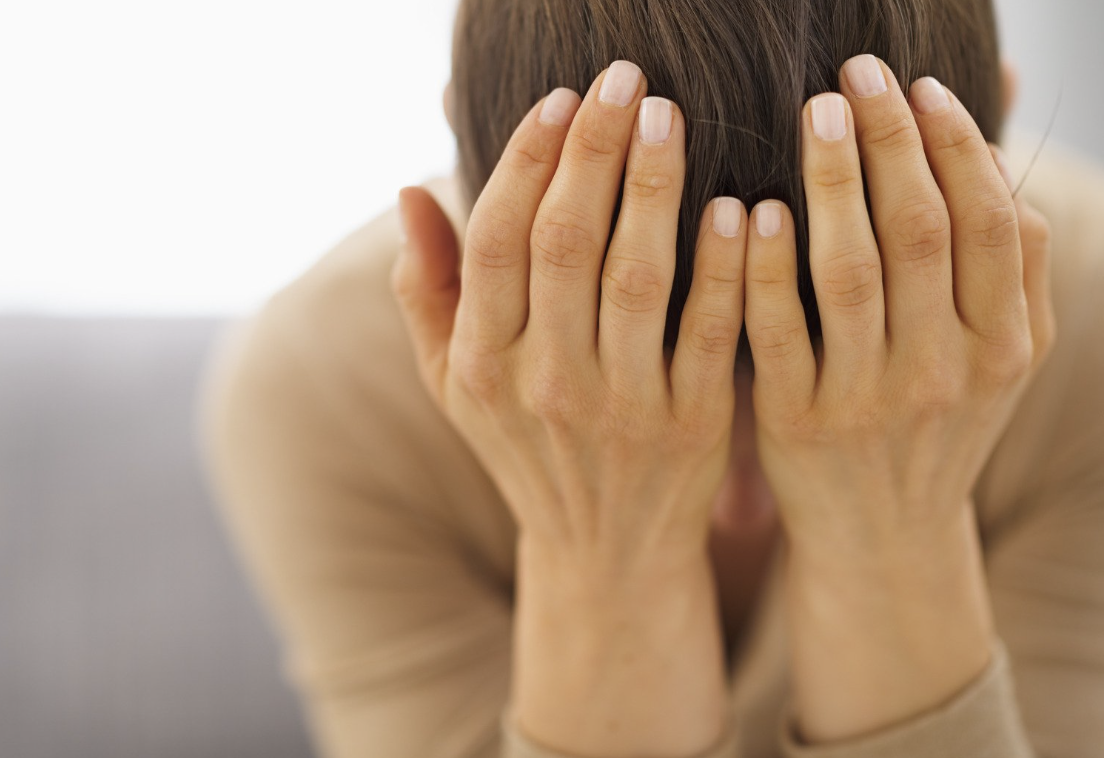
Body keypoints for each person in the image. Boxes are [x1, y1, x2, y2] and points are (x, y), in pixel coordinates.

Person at [200, 1, 1104, 756]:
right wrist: (605, 562)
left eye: (846, 369)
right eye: (635, 367)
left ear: (1001, 125)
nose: (741, 506)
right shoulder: (322, 394)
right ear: (468, 176)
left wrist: (889, 540)